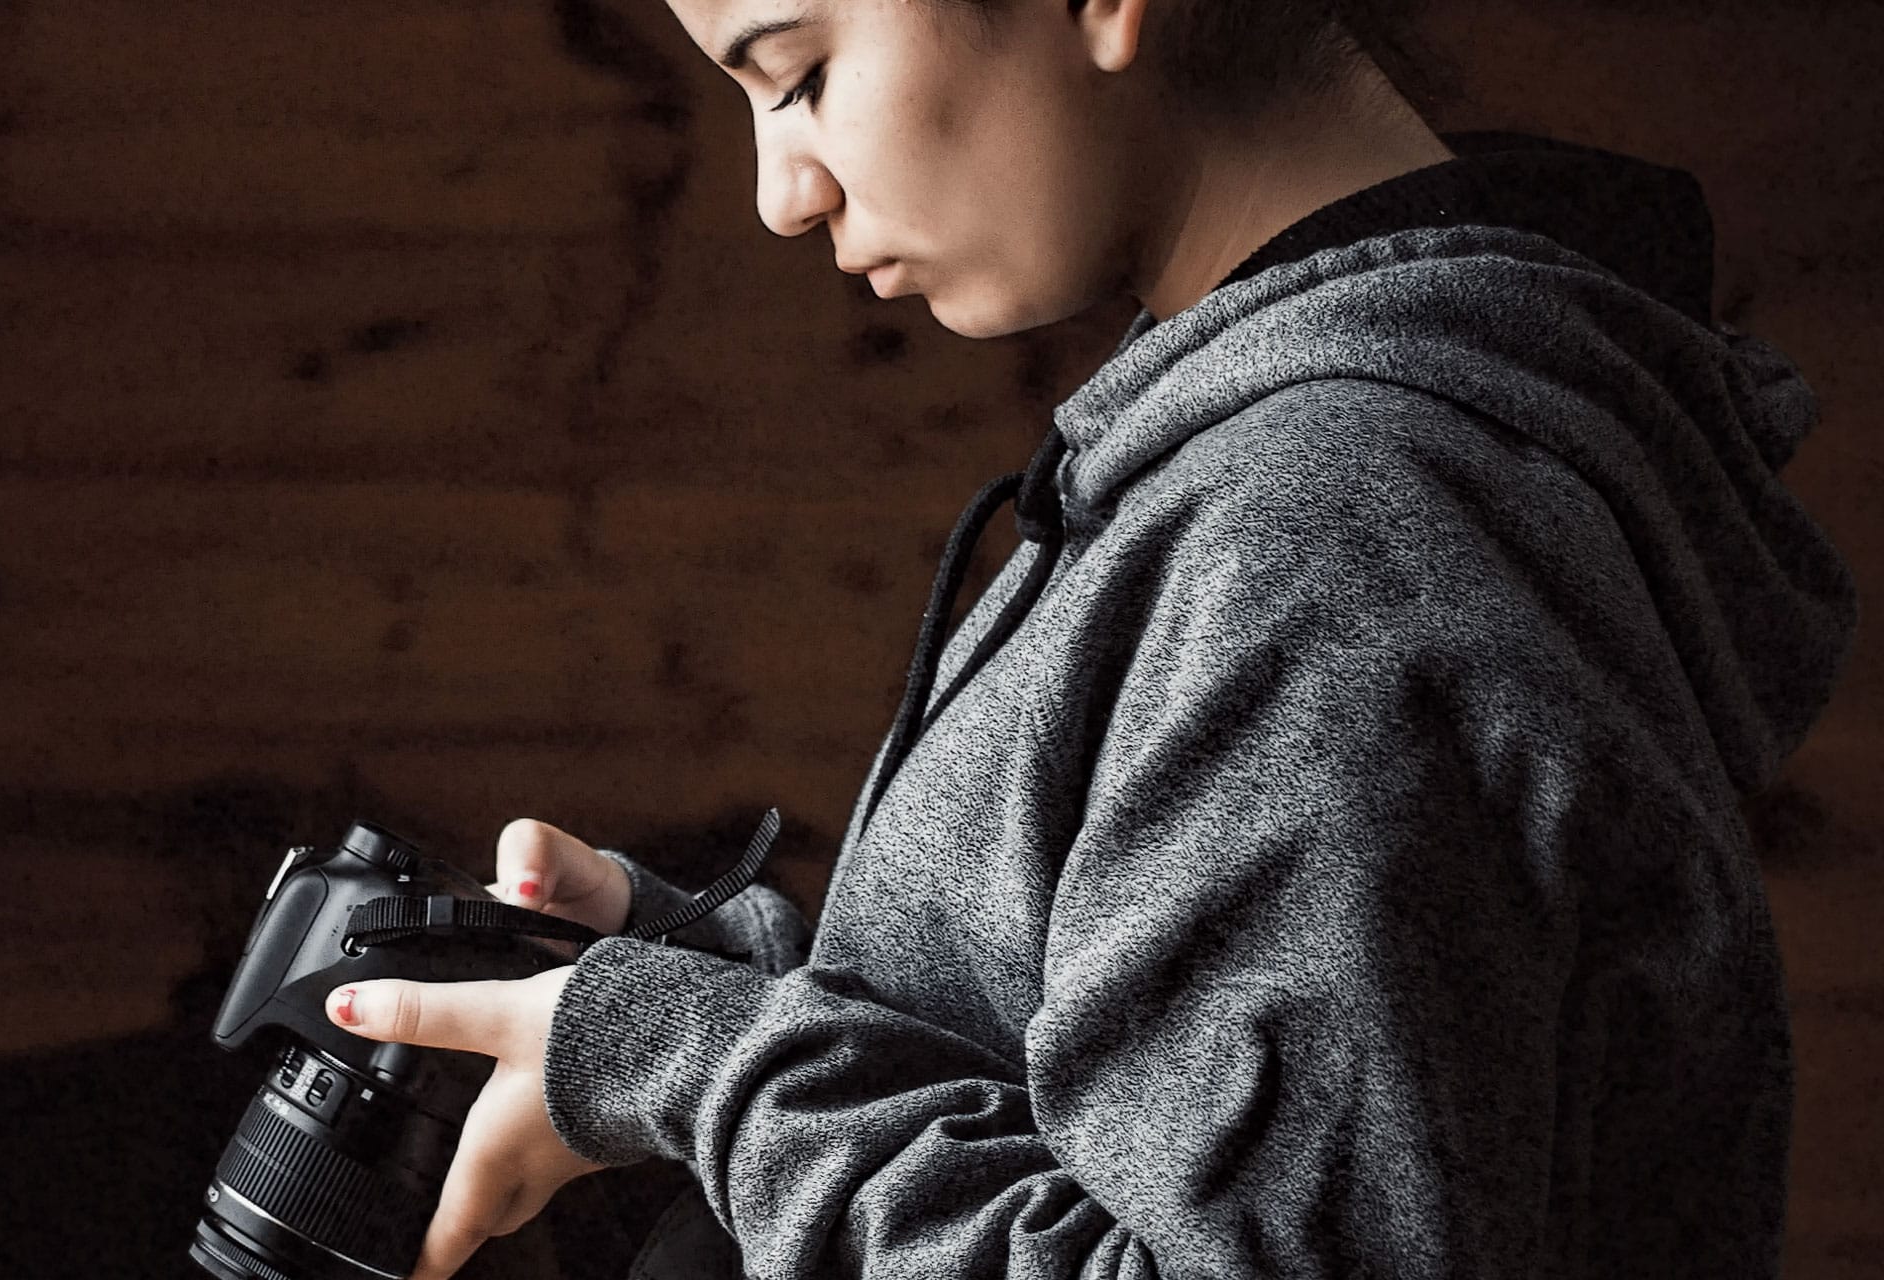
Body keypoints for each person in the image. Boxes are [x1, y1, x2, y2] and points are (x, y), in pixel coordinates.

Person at [323, 0, 1860, 1274]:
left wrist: (696, 1063)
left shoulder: (1324, 534)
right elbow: (1149, 1115)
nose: (779, 194)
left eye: (797, 76)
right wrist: (730, 1001)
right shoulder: (1283, 471)